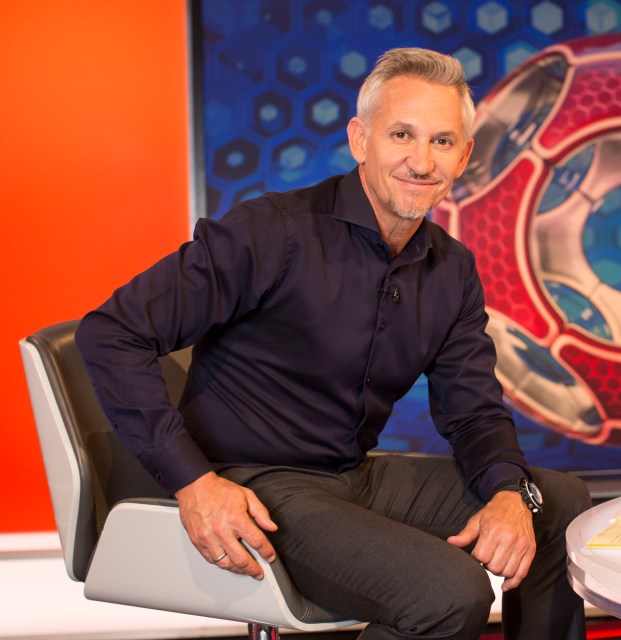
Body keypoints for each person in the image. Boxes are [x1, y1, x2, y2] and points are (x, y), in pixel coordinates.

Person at [76, 47, 592, 640]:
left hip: (353, 477)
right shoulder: (272, 231)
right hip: (255, 483)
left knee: (558, 505)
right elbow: (111, 332)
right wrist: (194, 482)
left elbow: (473, 411)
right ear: (360, 139)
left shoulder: (452, 270)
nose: (421, 161)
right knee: (451, 592)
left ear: (464, 155)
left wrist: (507, 491)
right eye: (402, 134)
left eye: (442, 142)